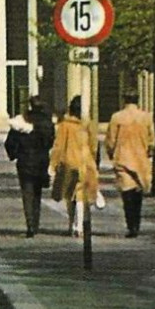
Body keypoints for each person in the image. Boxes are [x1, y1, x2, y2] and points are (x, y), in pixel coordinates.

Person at [4, 95, 55, 237]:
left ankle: (30, 224)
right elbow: (51, 141)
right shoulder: (46, 123)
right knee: (37, 193)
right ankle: (36, 223)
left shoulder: (20, 121)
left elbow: (9, 142)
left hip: (25, 161)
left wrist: (15, 154)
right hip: (41, 161)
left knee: (27, 193)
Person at [106, 91, 155, 237]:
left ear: (124, 100)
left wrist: (111, 154)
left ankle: (131, 225)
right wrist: (148, 152)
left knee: (127, 194)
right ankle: (136, 224)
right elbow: (152, 140)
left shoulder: (117, 117)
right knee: (137, 194)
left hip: (123, 159)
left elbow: (110, 140)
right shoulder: (146, 117)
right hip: (140, 160)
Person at [49, 96, 99, 236]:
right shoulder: (88, 125)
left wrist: (53, 164)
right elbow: (94, 145)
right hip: (85, 162)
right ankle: (80, 225)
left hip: (69, 163)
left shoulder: (64, 125)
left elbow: (58, 146)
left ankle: (72, 223)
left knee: (70, 195)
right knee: (81, 195)